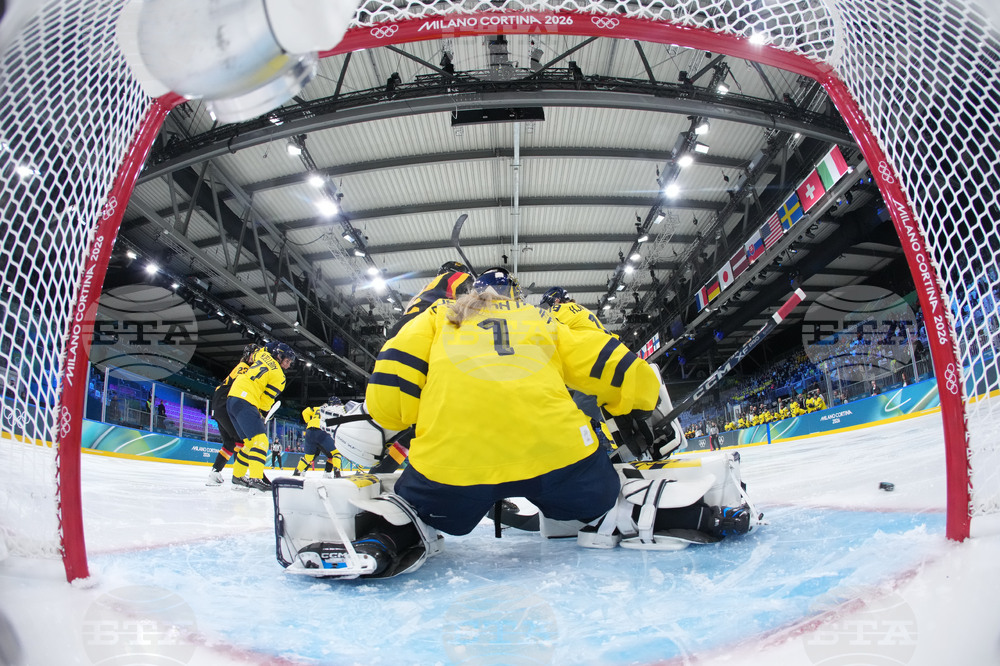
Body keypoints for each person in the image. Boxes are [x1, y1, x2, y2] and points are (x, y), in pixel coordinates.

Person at [227, 341, 294, 492]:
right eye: (287, 361)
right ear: (279, 356)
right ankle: (256, 478)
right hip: (247, 400)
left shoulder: (263, 355)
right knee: (261, 440)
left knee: (250, 443)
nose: (288, 365)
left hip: (232, 397)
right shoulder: (279, 377)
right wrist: (262, 414)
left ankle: (237, 477)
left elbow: (257, 352)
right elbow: (267, 400)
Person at [206, 343, 258, 485]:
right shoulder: (244, 368)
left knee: (229, 443)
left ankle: (214, 474)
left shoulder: (243, 367)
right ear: (248, 355)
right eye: (254, 354)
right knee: (241, 440)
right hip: (223, 404)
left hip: (218, 405)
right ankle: (239, 475)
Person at [292, 397, 345, 478]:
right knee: (336, 453)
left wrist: (309, 422)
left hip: (310, 432)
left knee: (308, 457)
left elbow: (305, 411)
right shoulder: (333, 410)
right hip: (322, 431)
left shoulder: (317, 408)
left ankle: (297, 472)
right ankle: (337, 472)